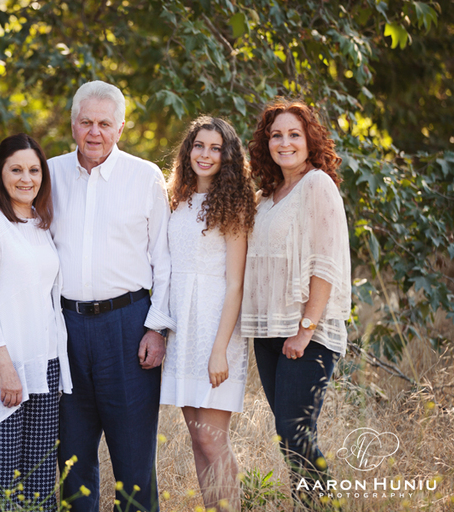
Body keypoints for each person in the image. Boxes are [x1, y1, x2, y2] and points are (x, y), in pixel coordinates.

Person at [49, 80, 172, 512]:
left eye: (105, 123)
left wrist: (157, 328)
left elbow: (165, 260)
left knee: (134, 460)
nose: (94, 132)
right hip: (64, 328)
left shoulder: (145, 177)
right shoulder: (48, 173)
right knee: (72, 459)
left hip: (128, 326)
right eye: (86, 122)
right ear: (73, 124)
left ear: (121, 128)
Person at [242, 99, 351, 508]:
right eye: (276, 135)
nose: (284, 143)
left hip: (307, 334)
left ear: (309, 140)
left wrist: (305, 330)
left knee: (295, 429)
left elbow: (326, 262)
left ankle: (324, 506)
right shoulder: (266, 196)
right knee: (288, 435)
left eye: (293, 134)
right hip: (270, 333)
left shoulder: (317, 185)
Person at [0, 134, 73, 511]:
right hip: (4, 369)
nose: (26, 178)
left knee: (40, 480)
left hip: (43, 365)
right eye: (16, 170)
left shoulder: (40, 221)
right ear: (0, 173)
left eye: (34, 169)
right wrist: (5, 368)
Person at [161, 116, 256, 510]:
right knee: (197, 439)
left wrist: (220, 349)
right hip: (183, 328)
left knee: (212, 440)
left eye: (215, 148)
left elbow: (235, 283)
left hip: (217, 327)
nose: (205, 154)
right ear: (188, 150)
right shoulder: (176, 199)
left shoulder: (234, 203)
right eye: (199, 145)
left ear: (228, 156)